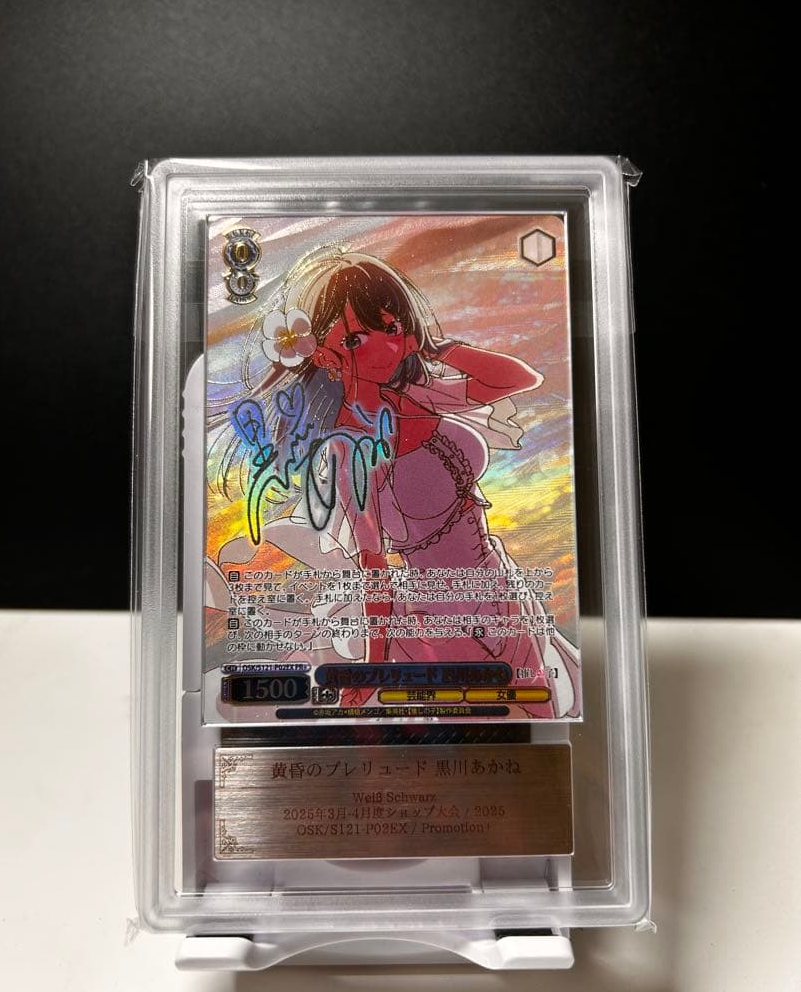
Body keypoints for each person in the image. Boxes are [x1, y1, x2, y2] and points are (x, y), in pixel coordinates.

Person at [210, 247, 581, 718]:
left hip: (500, 592)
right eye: (356, 339)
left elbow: (520, 377)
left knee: (534, 720)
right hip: (440, 619)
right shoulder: (351, 448)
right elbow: (374, 567)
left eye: (391, 328)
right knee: (482, 727)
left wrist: (435, 347)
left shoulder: (418, 395)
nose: (384, 348)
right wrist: (373, 665)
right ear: (323, 353)